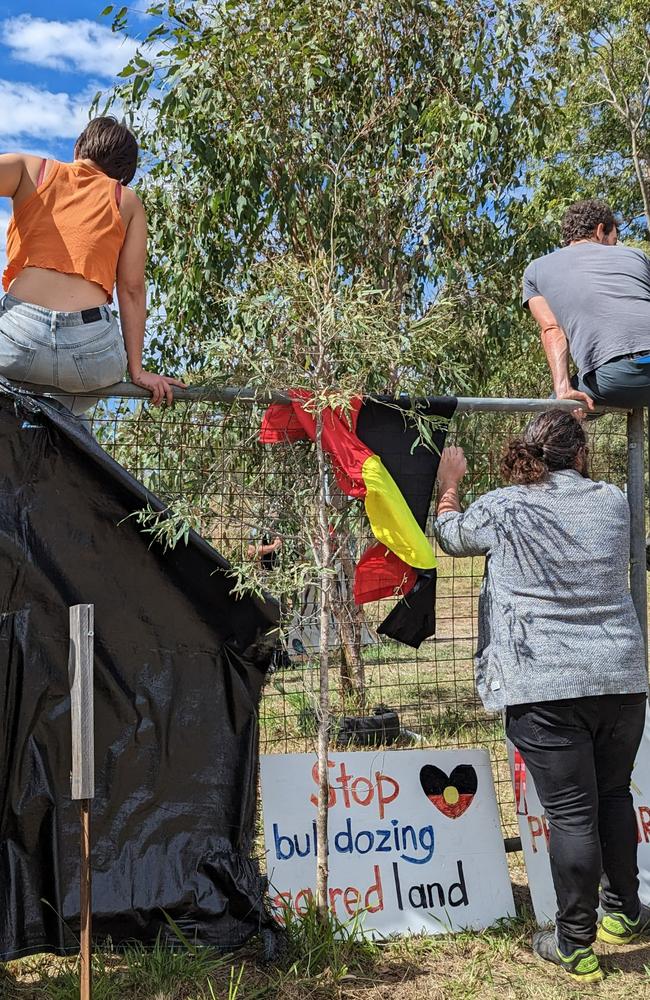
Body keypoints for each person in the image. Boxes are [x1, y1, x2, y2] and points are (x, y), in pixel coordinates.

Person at [434, 410, 649, 984]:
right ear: (581, 455)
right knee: (612, 797)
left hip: (545, 684)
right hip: (622, 679)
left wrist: (449, 486)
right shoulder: (612, 500)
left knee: (571, 813)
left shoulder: (506, 506)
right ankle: (625, 913)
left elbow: (450, 537)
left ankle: (574, 943)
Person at [0, 116, 185, 414]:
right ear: (124, 174)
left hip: (16, 340)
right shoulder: (127, 201)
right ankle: (57, 438)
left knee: (16, 397)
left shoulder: (30, 169)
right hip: (90, 354)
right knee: (71, 408)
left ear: (78, 147)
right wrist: (137, 372)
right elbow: (132, 289)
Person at [523, 199, 650, 411]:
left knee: (550, 422)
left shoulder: (536, 269)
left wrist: (563, 389)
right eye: (614, 240)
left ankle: (544, 441)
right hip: (622, 373)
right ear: (601, 231)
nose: (615, 247)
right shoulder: (637, 256)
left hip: (614, 379)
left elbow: (552, 330)